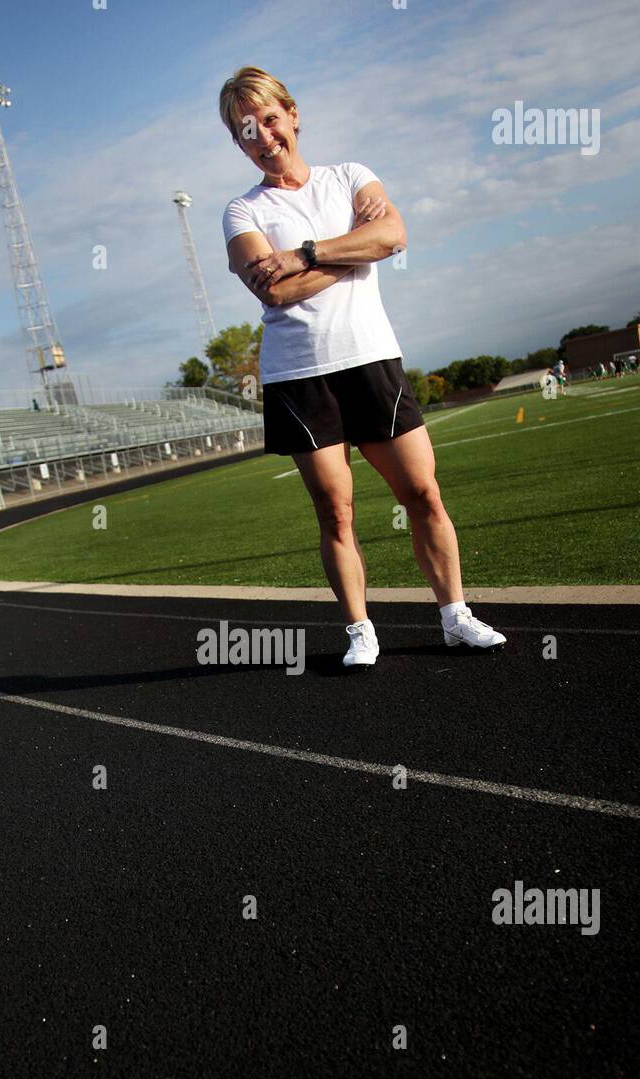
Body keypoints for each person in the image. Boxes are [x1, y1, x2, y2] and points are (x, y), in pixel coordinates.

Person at [219, 66, 505, 666]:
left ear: (293, 114)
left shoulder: (351, 176)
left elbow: (394, 234)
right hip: (299, 376)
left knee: (423, 492)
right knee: (336, 511)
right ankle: (360, 631)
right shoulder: (240, 214)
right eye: (247, 130)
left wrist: (304, 255)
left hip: (370, 358)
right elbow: (271, 293)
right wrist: (357, 249)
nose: (264, 137)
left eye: (270, 119)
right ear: (238, 142)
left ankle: (455, 616)